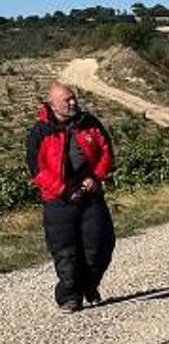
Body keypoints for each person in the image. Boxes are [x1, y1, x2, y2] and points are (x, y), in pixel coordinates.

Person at [26, 82, 116, 312]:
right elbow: (37, 169)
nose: (73, 102)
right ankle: (69, 297)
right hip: (58, 200)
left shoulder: (90, 123)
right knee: (66, 252)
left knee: (101, 245)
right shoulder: (40, 131)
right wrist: (64, 190)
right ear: (53, 104)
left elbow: (106, 152)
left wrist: (95, 177)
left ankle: (88, 285)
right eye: (67, 100)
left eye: (73, 98)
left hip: (91, 194)